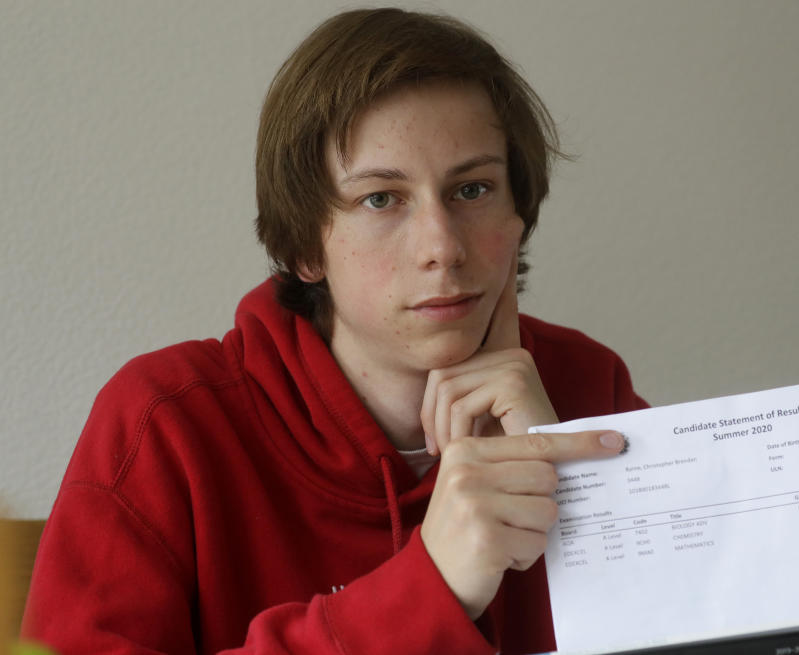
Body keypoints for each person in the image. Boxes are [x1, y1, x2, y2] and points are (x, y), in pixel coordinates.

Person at [23, 8, 648, 655]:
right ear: (305, 248)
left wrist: (590, 506)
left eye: (472, 189)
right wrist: (428, 590)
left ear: (518, 214)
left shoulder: (587, 386)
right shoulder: (163, 424)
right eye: (381, 198)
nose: (442, 246)